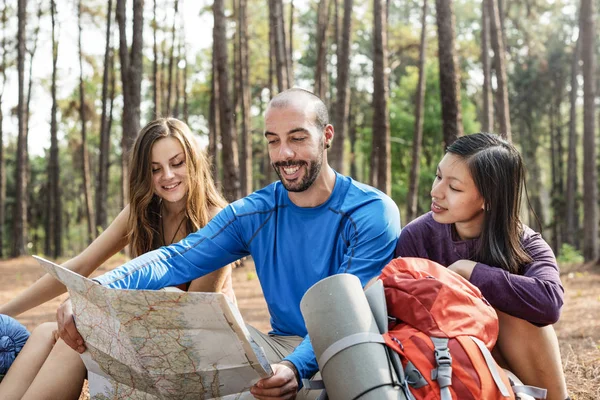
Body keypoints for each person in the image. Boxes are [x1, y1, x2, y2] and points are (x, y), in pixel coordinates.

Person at [56, 88, 401, 400]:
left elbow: (344, 316)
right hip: (279, 348)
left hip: (349, 354)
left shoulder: (370, 212)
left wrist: (295, 367)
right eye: (273, 140)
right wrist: (95, 289)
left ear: (326, 137)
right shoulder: (256, 212)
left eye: (297, 138)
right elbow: (176, 259)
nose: (284, 154)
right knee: (170, 346)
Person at [0, 118, 235, 400]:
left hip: (205, 347)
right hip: (151, 335)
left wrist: (95, 318)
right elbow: (79, 266)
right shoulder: (143, 212)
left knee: (75, 339)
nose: (168, 176)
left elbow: (193, 317)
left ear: (194, 162)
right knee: (44, 332)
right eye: (155, 169)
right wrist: (5, 313)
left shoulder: (218, 220)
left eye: (177, 163)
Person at [395, 132, 569, 400]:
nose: (436, 191)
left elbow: (549, 302)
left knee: (514, 305)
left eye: (454, 188)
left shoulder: (524, 243)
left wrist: (468, 271)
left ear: (488, 199)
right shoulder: (416, 237)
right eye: (438, 176)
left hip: (517, 365)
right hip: (446, 368)